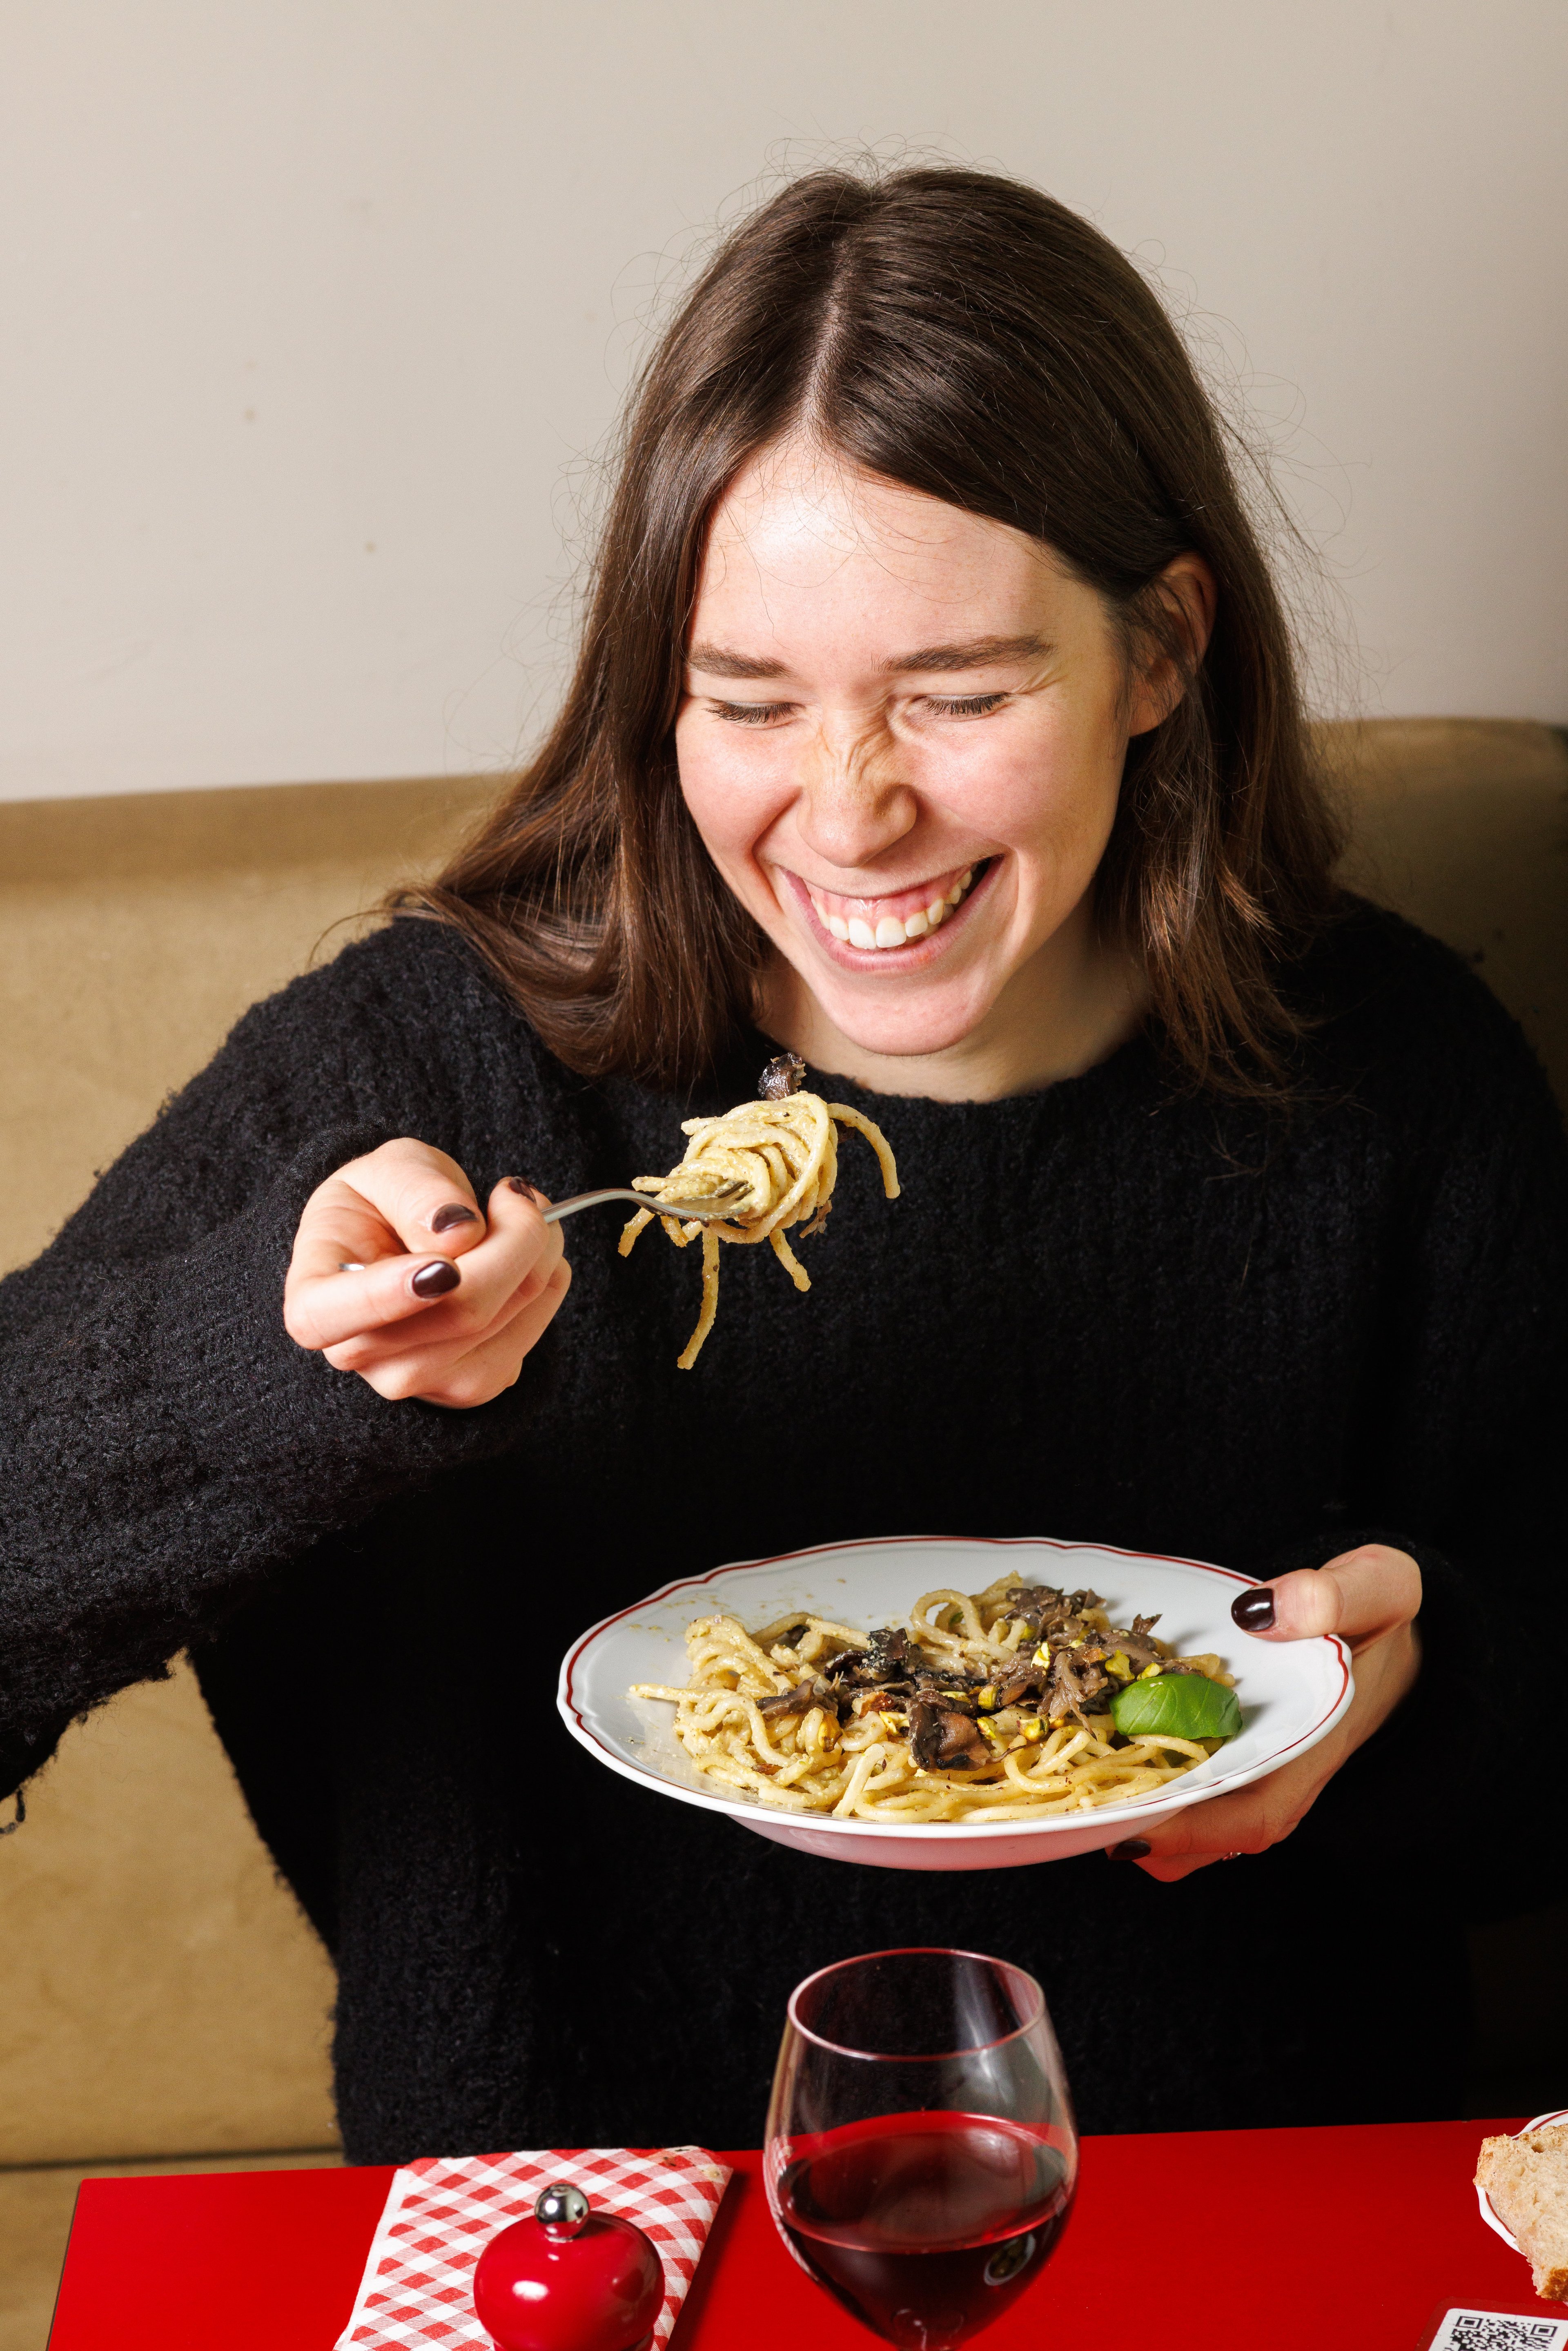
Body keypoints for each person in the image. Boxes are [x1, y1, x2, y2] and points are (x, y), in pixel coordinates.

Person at [1, 165, 1562, 2164]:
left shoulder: (1396, 1078)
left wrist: (1401, 1706)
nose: (851, 815)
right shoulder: (436, 1063)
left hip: (1231, 2209)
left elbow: (1542, 1754)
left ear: (1159, 653)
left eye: (961, 695)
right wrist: (274, 1370)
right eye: (749, 702)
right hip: (574, 2227)